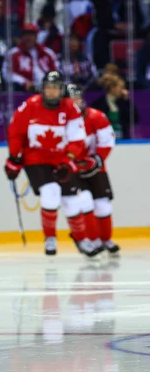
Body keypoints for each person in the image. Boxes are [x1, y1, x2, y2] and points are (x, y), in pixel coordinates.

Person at [4, 71, 103, 257]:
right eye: (48, 88)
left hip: (60, 159)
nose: (51, 92)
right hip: (35, 158)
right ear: (42, 89)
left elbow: (76, 137)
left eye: (55, 88)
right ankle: (50, 238)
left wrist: (68, 160)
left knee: (72, 201)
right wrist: (14, 158)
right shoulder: (30, 106)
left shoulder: (70, 109)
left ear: (61, 90)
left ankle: (81, 239)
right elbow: (15, 131)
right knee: (50, 192)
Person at [67, 84, 119, 254]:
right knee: (84, 202)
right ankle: (93, 240)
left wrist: (96, 160)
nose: (76, 103)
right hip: (73, 170)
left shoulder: (97, 117)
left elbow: (107, 142)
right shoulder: (61, 121)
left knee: (103, 205)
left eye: (78, 98)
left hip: (96, 168)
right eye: (71, 100)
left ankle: (106, 239)